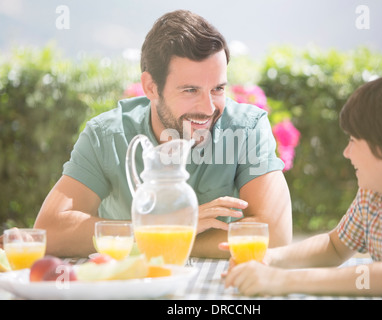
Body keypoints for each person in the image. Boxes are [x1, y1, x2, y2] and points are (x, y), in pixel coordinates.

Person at [33, 10, 292, 258]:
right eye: (190, 90)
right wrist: (164, 225)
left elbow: (276, 233)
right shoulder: (107, 135)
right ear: (151, 87)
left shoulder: (247, 128)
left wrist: (176, 237)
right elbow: (49, 231)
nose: (208, 108)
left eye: (217, 89)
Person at [224, 73, 382, 299]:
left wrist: (280, 279)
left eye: (353, 141)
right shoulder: (373, 194)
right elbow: (334, 247)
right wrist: (270, 258)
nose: (346, 153)